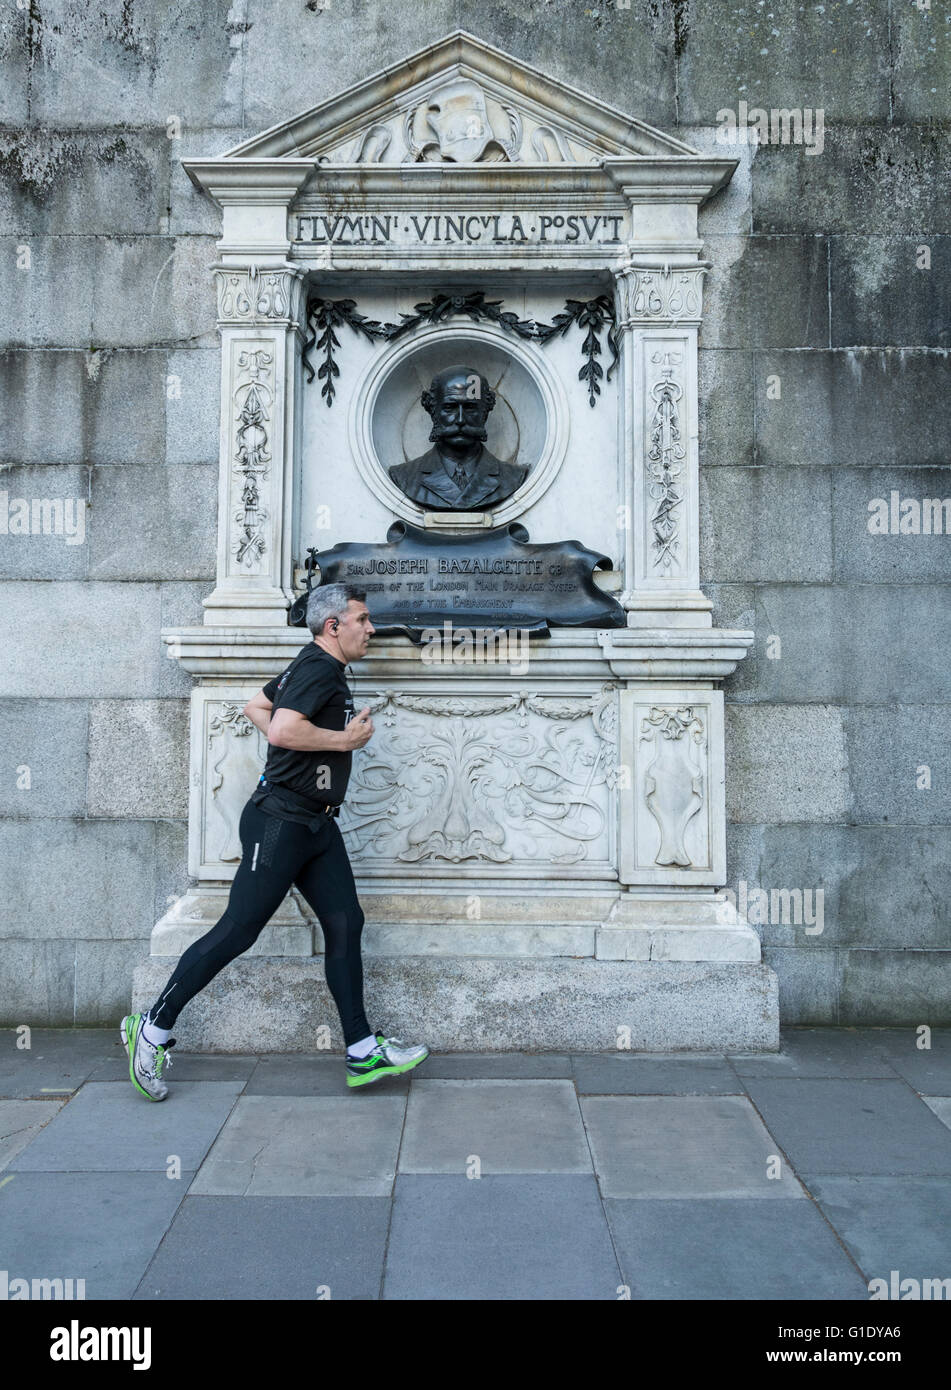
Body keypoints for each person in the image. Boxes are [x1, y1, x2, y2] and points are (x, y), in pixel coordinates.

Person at [121, 583, 429, 1100]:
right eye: (363, 620)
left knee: (345, 920)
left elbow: (254, 707)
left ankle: (359, 1049)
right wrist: (343, 740)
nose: (371, 629)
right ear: (334, 626)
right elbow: (283, 730)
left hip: (315, 825)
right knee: (239, 929)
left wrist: (312, 743)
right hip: (280, 822)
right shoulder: (317, 668)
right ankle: (150, 1028)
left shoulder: (314, 663)